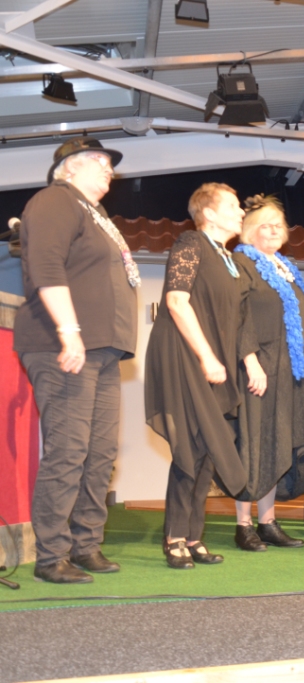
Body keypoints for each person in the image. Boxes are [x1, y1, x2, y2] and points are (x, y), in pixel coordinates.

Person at [15, 137, 138, 584]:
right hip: (63, 344)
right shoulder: (56, 200)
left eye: (110, 163)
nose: (109, 169)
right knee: (68, 450)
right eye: (98, 161)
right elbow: (47, 266)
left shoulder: (97, 215)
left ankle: (86, 545)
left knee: (100, 453)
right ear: (68, 167)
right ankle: (51, 555)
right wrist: (69, 332)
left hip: (102, 348)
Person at [145, 183, 248, 569]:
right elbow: (176, 301)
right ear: (209, 213)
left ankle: (193, 535)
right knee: (190, 446)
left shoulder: (227, 257)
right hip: (186, 355)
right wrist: (206, 356)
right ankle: (174, 537)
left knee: (208, 448)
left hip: (214, 360)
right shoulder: (191, 242)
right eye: (233, 205)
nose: (241, 212)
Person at [231, 195, 304, 551]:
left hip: (289, 371)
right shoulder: (242, 262)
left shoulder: (286, 267)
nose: (273, 230)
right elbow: (237, 315)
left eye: (278, 225)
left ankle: (267, 521)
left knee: (278, 442)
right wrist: (250, 360)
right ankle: (243, 524)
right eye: (264, 225)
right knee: (254, 443)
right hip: (260, 367)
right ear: (249, 231)